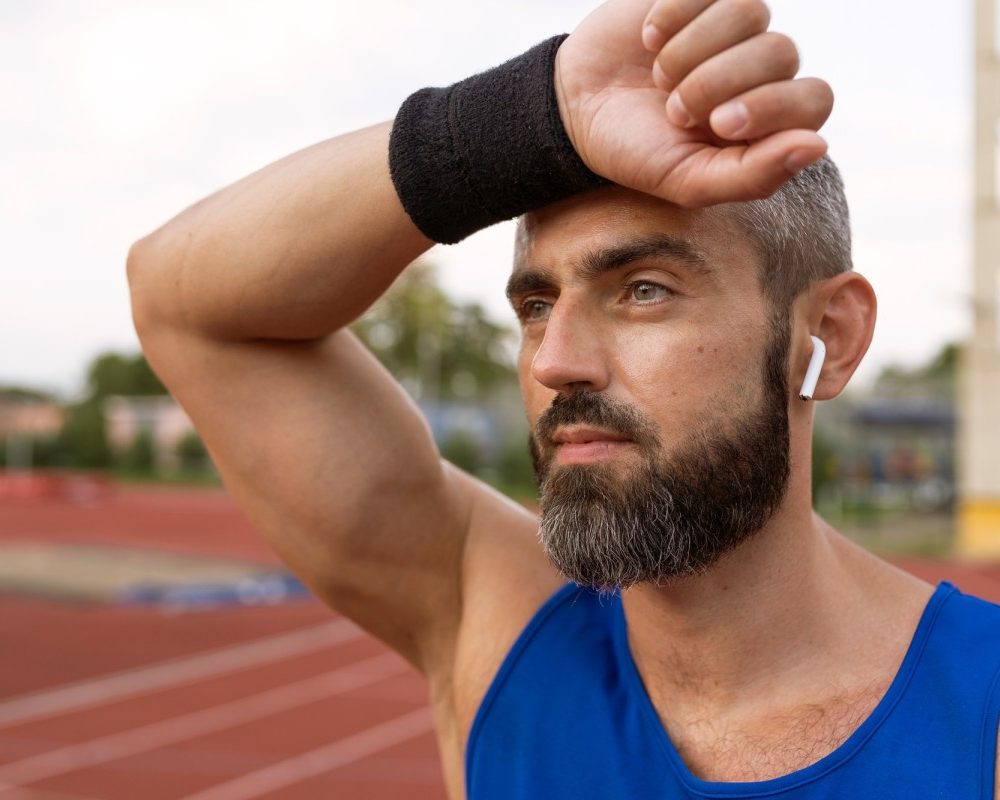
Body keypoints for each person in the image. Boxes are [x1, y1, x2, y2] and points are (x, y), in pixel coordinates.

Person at [125, 0, 1000, 796]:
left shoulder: (980, 715)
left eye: (645, 288)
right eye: (536, 306)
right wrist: (526, 115)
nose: (556, 361)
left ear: (831, 337)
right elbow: (181, 302)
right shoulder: (495, 624)